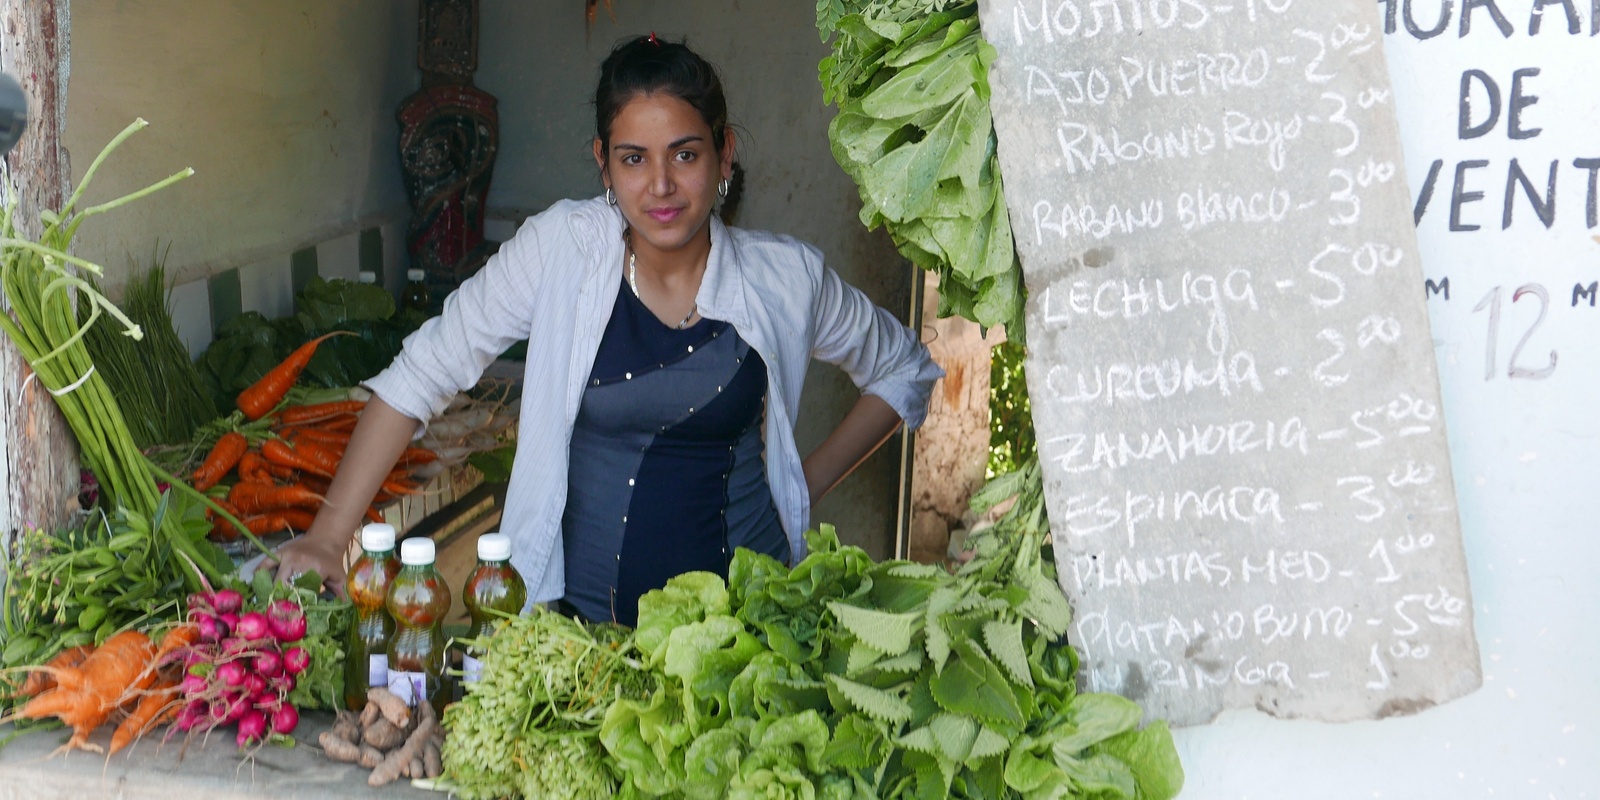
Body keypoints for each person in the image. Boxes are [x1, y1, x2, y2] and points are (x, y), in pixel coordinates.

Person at [272, 34, 942, 625]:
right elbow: (422, 374)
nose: (661, 186)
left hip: (746, 637)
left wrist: (798, 483)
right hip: (577, 631)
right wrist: (330, 535)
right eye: (633, 159)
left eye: (684, 154)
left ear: (724, 151)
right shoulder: (562, 248)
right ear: (603, 162)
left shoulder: (784, 279)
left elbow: (903, 368)